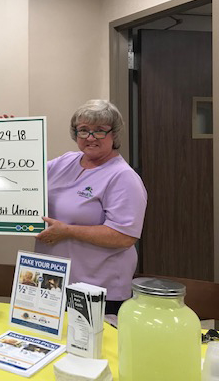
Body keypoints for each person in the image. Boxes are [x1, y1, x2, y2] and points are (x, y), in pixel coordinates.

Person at [35, 99, 147, 315]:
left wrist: (67, 231)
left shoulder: (123, 177)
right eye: (83, 130)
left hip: (96, 289)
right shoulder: (65, 162)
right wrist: (11, 141)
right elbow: (25, 177)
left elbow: (124, 236)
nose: (90, 137)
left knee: (92, 347)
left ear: (114, 134)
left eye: (99, 131)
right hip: (52, 281)